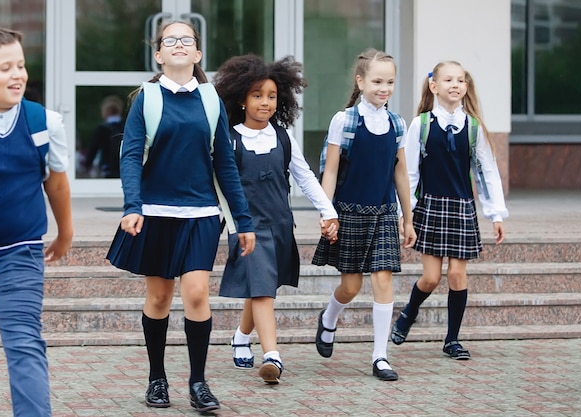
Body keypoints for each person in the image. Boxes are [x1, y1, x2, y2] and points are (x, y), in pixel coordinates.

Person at [106, 21, 255, 413]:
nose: (177, 44)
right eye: (169, 40)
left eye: (185, 40)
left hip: (201, 213)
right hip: (155, 213)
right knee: (158, 297)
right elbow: (131, 156)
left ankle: (198, 382)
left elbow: (225, 163)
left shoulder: (210, 100)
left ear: (197, 54)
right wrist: (132, 206)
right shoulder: (148, 99)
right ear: (159, 55)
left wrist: (243, 220)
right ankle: (157, 378)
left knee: (196, 293)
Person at [0, 28, 73, 416]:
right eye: (4, 67)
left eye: (21, 65)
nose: (17, 75)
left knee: (24, 342)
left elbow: (56, 182)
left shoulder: (45, 122)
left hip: (18, 253)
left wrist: (65, 232)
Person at [213, 54, 339, 384]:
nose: (265, 102)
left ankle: (241, 336)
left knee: (262, 289)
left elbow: (306, 177)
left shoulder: (283, 137)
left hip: (281, 224)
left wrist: (328, 211)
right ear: (241, 99)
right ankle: (273, 357)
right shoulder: (229, 139)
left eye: (271, 96)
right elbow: (217, 186)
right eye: (257, 95)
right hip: (246, 229)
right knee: (263, 291)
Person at [390, 61, 508, 359]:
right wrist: (407, 215)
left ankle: (452, 340)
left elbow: (487, 171)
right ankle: (409, 312)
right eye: (448, 80)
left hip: (462, 208)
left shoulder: (473, 127)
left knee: (457, 275)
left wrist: (496, 214)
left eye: (460, 80)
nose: (455, 85)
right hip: (431, 207)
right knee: (430, 278)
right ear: (434, 86)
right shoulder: (422, 124)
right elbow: (410, 173)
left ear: (466, 87)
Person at [311, 49, 416, 381]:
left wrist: (407, 217)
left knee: (383, 279)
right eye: (377, 81)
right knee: (351, 287)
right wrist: (327, 213)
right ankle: (329, 318)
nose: (384, 88)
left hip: (384, 212)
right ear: (361, 81)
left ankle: (379, 357)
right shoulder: (345, 120)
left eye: (390, 82)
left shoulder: (397, 122)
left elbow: (401, 173)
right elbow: (330, 172)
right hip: (349, 212)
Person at [84, 95, 125, 178]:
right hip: (123, 166)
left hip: (107, 167)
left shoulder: (103, 128)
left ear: (107, 111)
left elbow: (93, 148)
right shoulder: (126, 126)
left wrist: (87, 166)